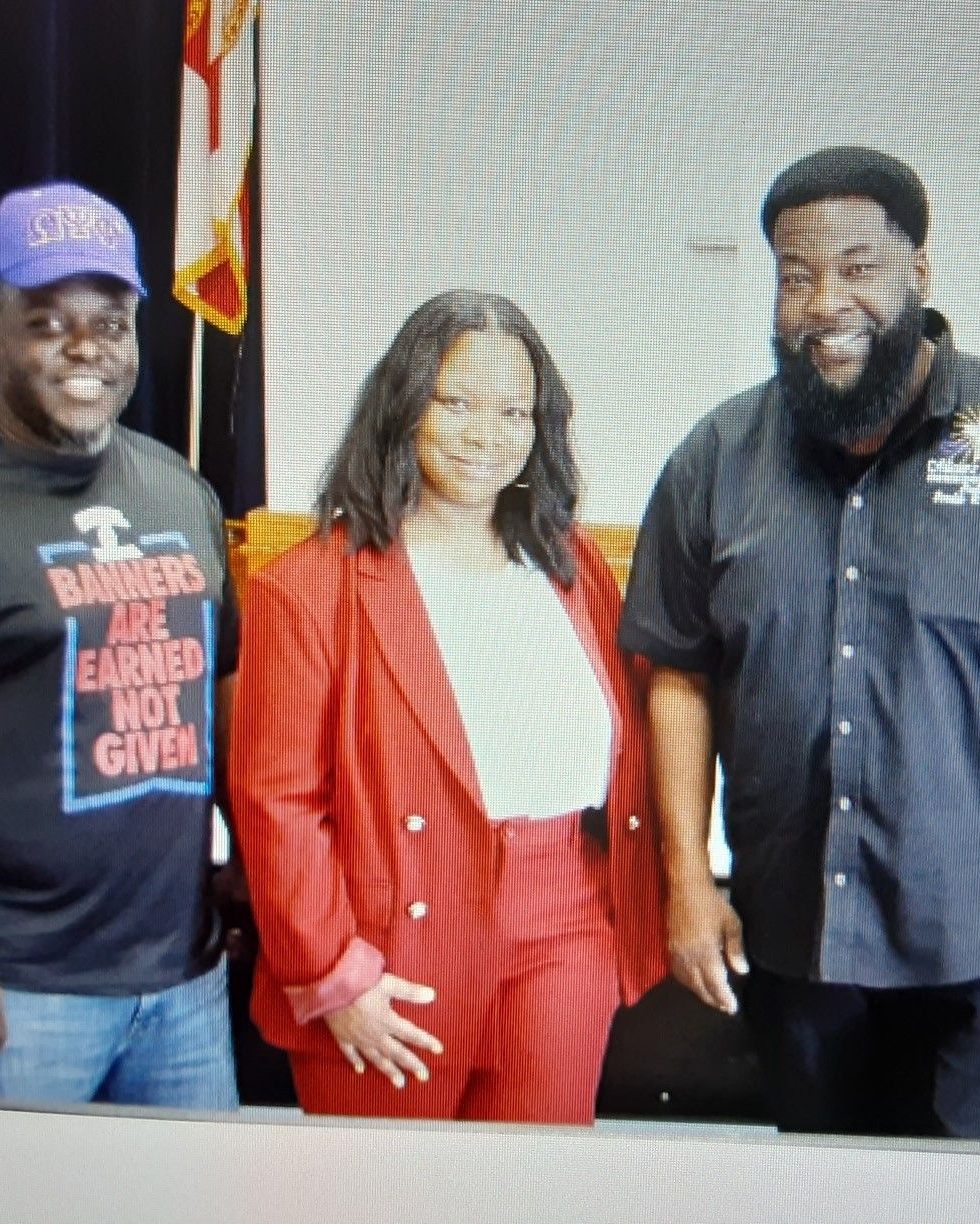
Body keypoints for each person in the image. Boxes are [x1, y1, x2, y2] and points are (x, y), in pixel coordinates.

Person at [619, 147, 980, 1139]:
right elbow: (679, 676)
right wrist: (688, 883)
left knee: (966, 1203)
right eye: (795, 276)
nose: (825, 303)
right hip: (794, 940)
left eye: (858, 267)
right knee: (819, 1194)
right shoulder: (716, 459)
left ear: (919, 272)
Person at [229, 290, 666, 1122]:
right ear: (403, 404)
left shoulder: (573, 565)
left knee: (535, 1183)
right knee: (389, 1185)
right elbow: (276, 802)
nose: (484, 434)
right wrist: (331, 974)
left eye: (512, 411)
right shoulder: (309, 588)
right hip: (386, 938)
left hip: (564, 920)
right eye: (455, 402)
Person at [0, 183, 238, 1108]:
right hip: (14, 985)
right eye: (49, 324)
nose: (87, 348)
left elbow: (223, 688)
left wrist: (246, 871)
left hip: (182, 980)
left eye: (111, 324)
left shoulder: (178, 490)